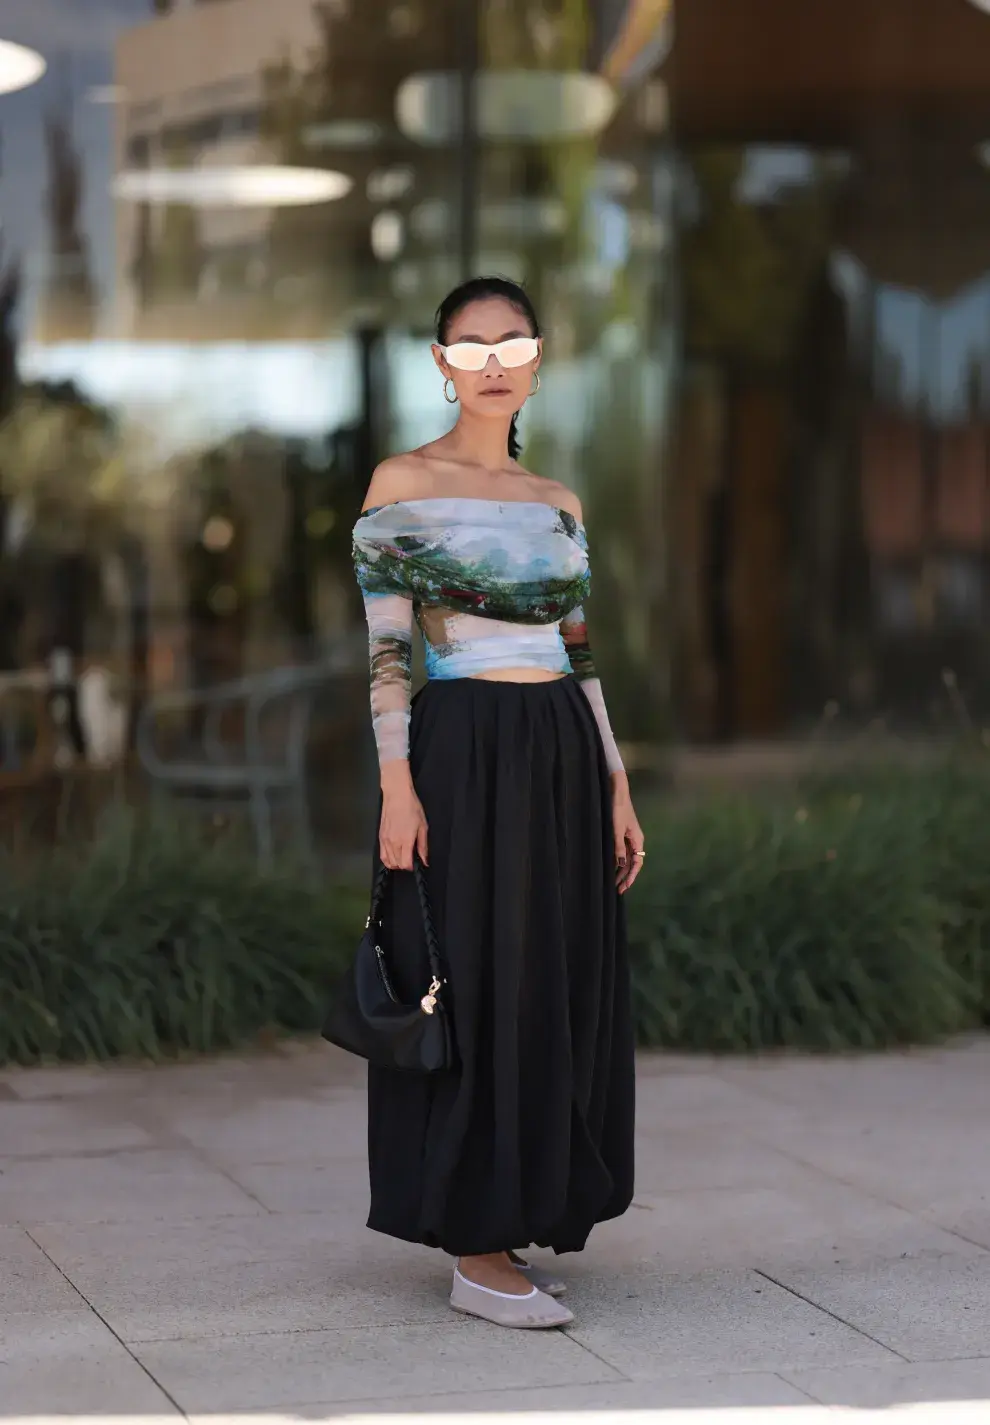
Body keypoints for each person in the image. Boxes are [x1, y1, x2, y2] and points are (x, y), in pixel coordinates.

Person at [353, 275, 643, 1329]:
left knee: (551, 978)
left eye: (509, 342)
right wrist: (397, 785)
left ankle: (515, 1217)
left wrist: (616, 782)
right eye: (468, 345)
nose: (489, 361)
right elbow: (389, 651)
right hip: (463, 745)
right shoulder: (403, 481)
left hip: (562, 745)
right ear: (440, 363)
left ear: (535, 359)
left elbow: (583, 651)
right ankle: (476, 1253)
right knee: (474, 976)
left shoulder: (559, 501)